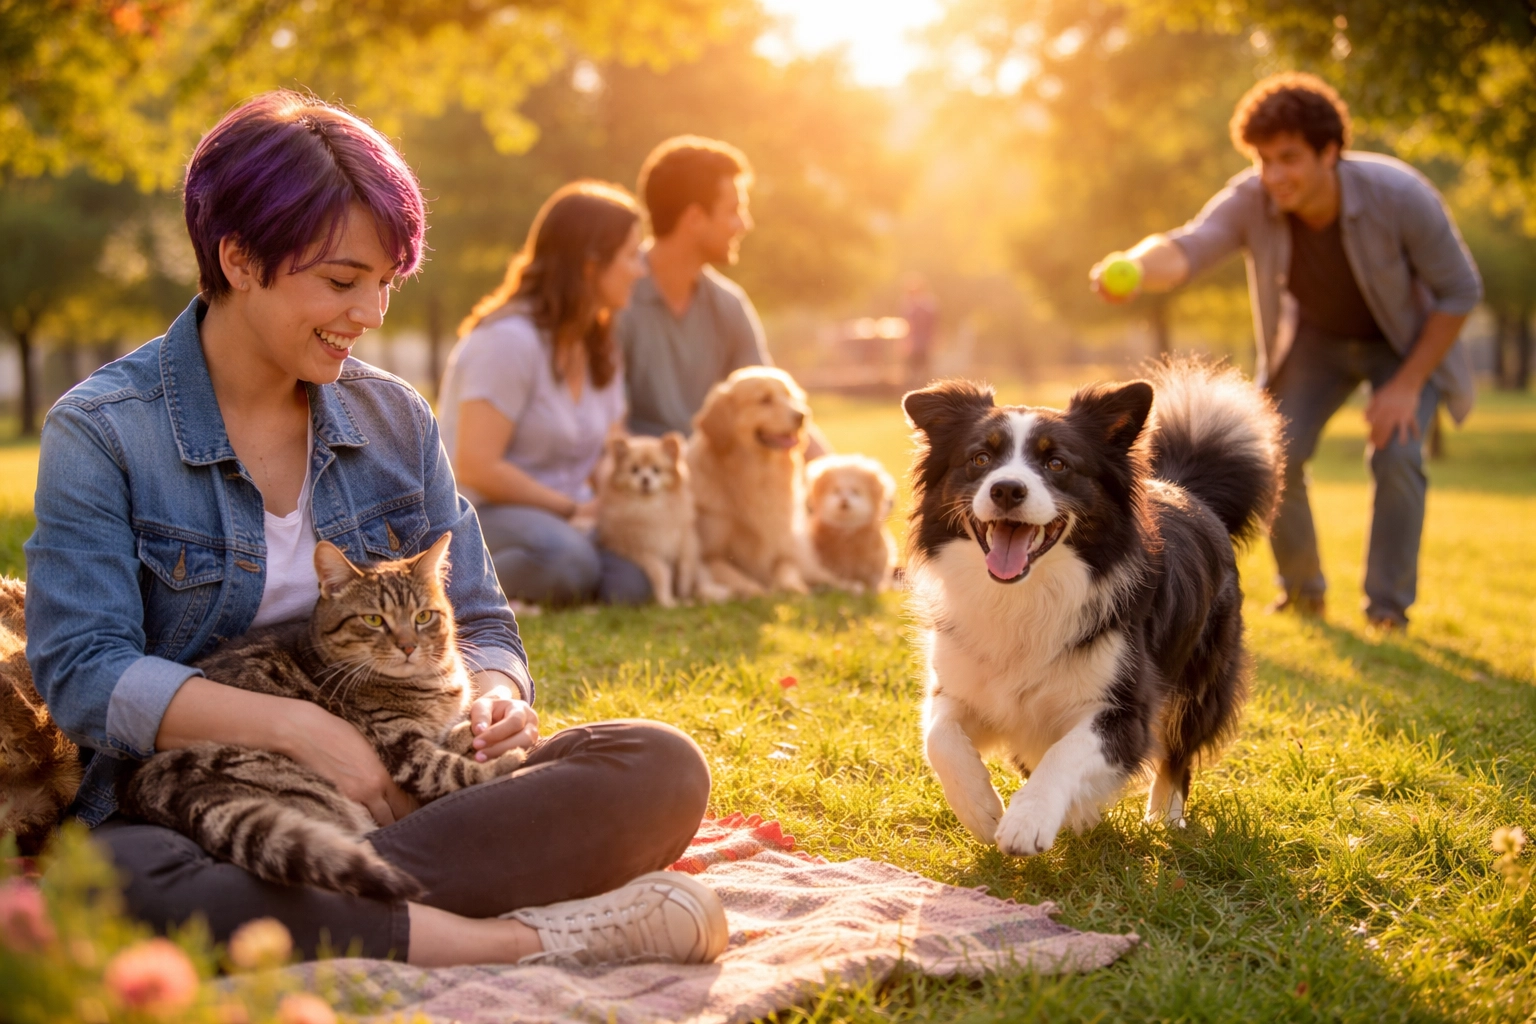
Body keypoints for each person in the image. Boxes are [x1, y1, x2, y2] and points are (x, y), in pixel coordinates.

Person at [24, 93, 722, 967]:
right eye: (344, 281)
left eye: (387, 283)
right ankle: (510, 939)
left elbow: (482, 618)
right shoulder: (103, 431)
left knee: (659, 766)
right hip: (203, 812)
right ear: (239, 258)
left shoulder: (395, 420)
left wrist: (498, 696)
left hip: (416, 779)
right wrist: (304, 735)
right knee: (127, 880)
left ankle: (325, 913)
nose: (373, 314)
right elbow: (85, 675)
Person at [1089, 73, 1482, 630]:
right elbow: (1189, 247)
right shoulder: (1252, 198)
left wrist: (1406, 384)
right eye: (1264, 160)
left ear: (1330, 152)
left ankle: (1388, 608)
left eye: (1289, 158)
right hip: (1315, 342)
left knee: (1398, 455)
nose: (1274, 176)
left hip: (1401, 343)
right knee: (1274, 456)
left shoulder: (1401, 194)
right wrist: (1131, 265)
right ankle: (1302, 592)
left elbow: (1460, 290)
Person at [437, 182, 653, 607]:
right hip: (486, 513)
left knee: (632, 584)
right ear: (591, 264)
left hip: (572, 516)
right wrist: (572, 510)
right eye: (631, 255)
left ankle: (553, 584)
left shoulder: (600, 344)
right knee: (568, 565)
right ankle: (451, 592)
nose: (640, 270)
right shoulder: (507, 341)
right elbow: (477, 467)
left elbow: (612, 447)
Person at [616, 135, 829, 456]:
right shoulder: (616, 301)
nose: (745, 224)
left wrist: (838, 473)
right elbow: (602, 424)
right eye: (734, 210)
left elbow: (775, 405)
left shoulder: (729, 305)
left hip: (715, 486)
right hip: (646, 483)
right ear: (694, 220)